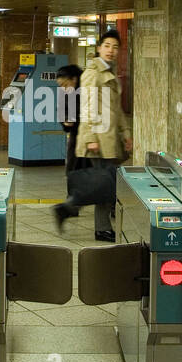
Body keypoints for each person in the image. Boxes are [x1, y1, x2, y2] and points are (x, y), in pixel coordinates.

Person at [54, 30, 131, 241]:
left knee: (104, 184)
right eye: (107, 45)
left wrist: (125, 132)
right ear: (98, 48)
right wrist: (90, 138)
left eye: (115, 47)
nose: (111, 51)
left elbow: (116, 109)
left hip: (109, 138)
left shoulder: (111, 73)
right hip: (97, 139)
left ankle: (73, 210)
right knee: (104, 184)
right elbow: (86, 109)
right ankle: (96, 224)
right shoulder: (92, 73)